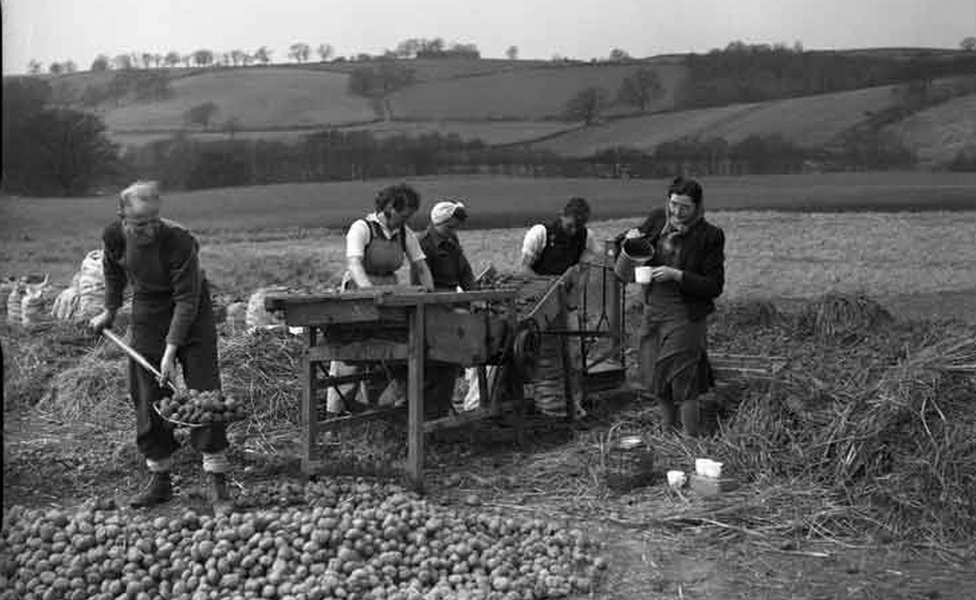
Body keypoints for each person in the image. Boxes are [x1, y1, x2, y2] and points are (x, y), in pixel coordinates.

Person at [88, 180, 231, 508]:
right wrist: (109, 311)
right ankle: (160, 478)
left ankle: (217, 480)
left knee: (204, 394)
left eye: (154, 220)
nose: (150, 229)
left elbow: (186, 299)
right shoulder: (114, 237)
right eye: (141, 223)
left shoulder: (179, 240)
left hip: (191, 314)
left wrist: (170, 351)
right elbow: (113, 273)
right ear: (122, 216)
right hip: (148, 311)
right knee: (147, 395)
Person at [621, 176, 725, 436]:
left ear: (698, 207)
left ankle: (691, 441)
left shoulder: (709, 236)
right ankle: (669, 433)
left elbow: (714, 285)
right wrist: (630, 239)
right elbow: (626, 250)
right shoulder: (658, 220)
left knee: (682, 375)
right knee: (655, 373)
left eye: (684, 207)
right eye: (673, 203)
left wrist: (676, 275)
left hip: (685, 315)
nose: (677, 211)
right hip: (653, 310)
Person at [326, 184, 435, 415]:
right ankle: (332, 416)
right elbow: (354, 264)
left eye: (409, 215)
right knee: (350, 356)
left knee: (391, 351)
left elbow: (421, 266)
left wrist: (430, 294)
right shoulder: (362, 228)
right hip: (359, 294)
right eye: (402, 214)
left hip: (389, 292)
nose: (405, 219)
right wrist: (369, 293)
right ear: (388, 209)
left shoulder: (405, 233)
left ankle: (384, 410)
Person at [517, 197, 602, 418]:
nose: (573, 231)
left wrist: (572, 299)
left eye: (578, 226)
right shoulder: (541, 233)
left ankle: (572, 403)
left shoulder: (587, 238)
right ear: (562, 216)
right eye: (570, 225)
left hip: (565, 303)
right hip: (539, 302)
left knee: (572, 355)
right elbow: (525, 270)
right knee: (545, 356)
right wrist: (550, 289)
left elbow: (582, 273)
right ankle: (547, 406)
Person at [417, 200, 474, 418]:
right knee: (433, 364)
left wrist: (473, 298)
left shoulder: (453, 242)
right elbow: (420, 282)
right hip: (433, 306)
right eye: (449, 227)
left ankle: (441, 411)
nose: (453, 231)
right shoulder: (423, 243)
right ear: (438, 224)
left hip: (453, 303)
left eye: (455, 227)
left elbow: (465, 273)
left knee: (450, 363)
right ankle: (428, 414)